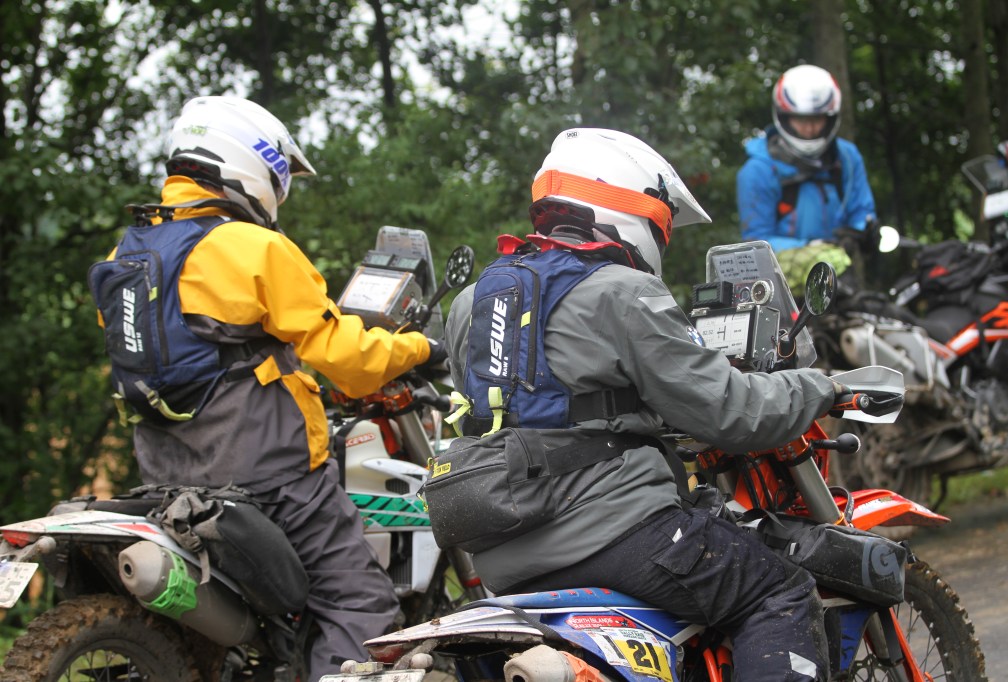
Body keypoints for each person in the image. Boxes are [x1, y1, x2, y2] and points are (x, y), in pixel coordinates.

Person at [443, 128, 847, 681]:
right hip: (613, 532)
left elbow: (526, 406)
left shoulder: (474, 299)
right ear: (630, 205)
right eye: (662, 222)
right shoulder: (621, 291)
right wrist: (821, 387)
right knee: (779, 590)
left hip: (503, 552)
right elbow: (732, 411)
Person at [89, 96, 443, 677]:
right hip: (269, 476)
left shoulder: (128, 252)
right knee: (357, 601)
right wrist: (422, 348)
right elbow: (347, 359)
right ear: (254, 165)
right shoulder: (252, 246)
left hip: (166, 476)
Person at [738, 64, 876, 252]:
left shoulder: (847, 157)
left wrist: (861, 231)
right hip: (782, 267)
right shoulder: (758, 171)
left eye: (817, 119)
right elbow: (756, 242)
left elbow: (861, 210)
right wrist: (812, 248)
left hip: (839, 263)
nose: (810, 128)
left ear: (830, 118)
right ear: (785, 117)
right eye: (801, 119)